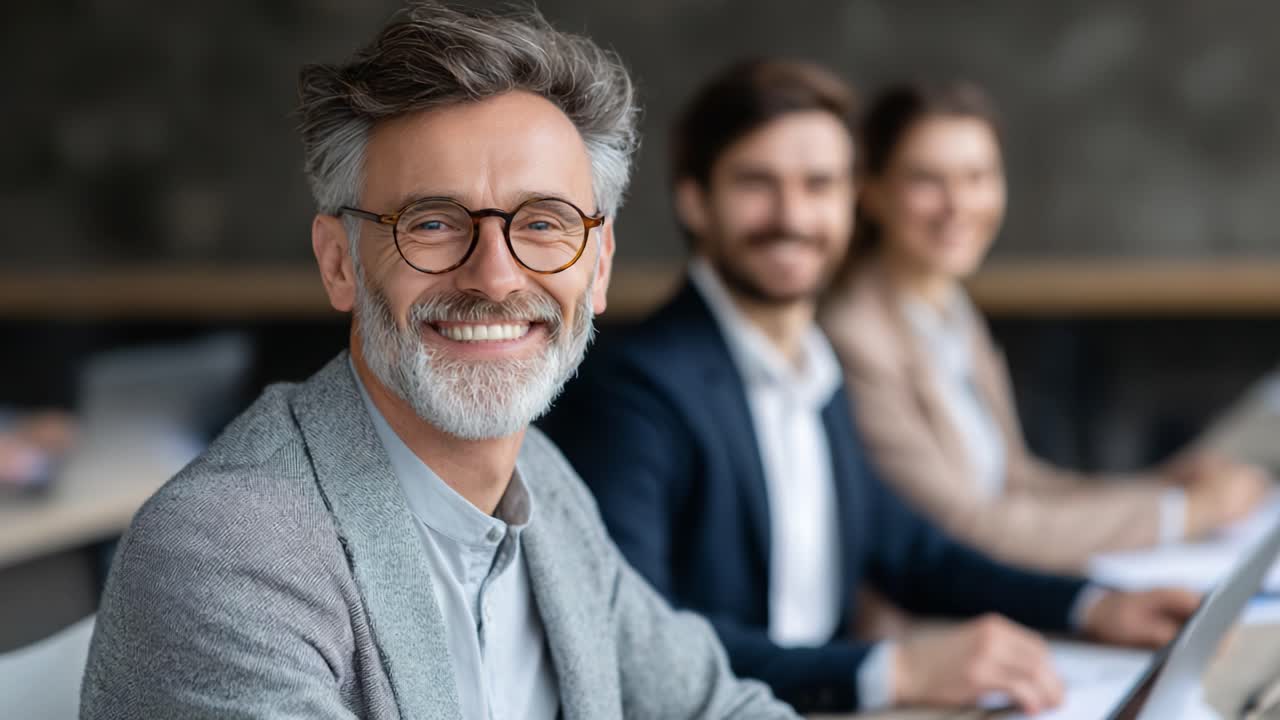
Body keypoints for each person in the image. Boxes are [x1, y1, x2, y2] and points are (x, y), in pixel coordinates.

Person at [80, 5, 797, 718]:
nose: (495, 278)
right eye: (431, 223)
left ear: (599, 265)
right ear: (339, 263)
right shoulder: (227, 549)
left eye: (542, 223)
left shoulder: (545, 484)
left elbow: (717, 705)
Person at [540, 58, 1201, 715]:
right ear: (695, 200)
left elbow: (911, 550)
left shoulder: (816, 364)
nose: (793, 215)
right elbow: (640, 644)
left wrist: (1091, 605)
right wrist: (891, 670)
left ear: (852, 201)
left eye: (819, 184)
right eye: (757, 183)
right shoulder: (633, 389)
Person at [818, 81, 1272, 573]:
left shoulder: (950, 312)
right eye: (927, 180)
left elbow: (1014, 482)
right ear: (872, 192)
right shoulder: (855, 337)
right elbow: (967, 528)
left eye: (977, 177)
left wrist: (1162, 486)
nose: (958, 205)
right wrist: (1185, 514)